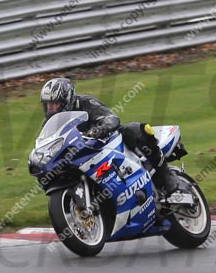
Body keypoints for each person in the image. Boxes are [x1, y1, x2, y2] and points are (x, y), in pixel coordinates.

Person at [40, 77, 190, 201]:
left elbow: (111, 117)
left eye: (55, 104)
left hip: (105, 142)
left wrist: (100, 128)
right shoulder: (48, 124)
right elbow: (48, 144)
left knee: (134, 129)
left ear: (67, 100)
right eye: (48, 105)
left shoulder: (85, 102)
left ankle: (168, 181)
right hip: (81, 156)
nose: (51, 109)